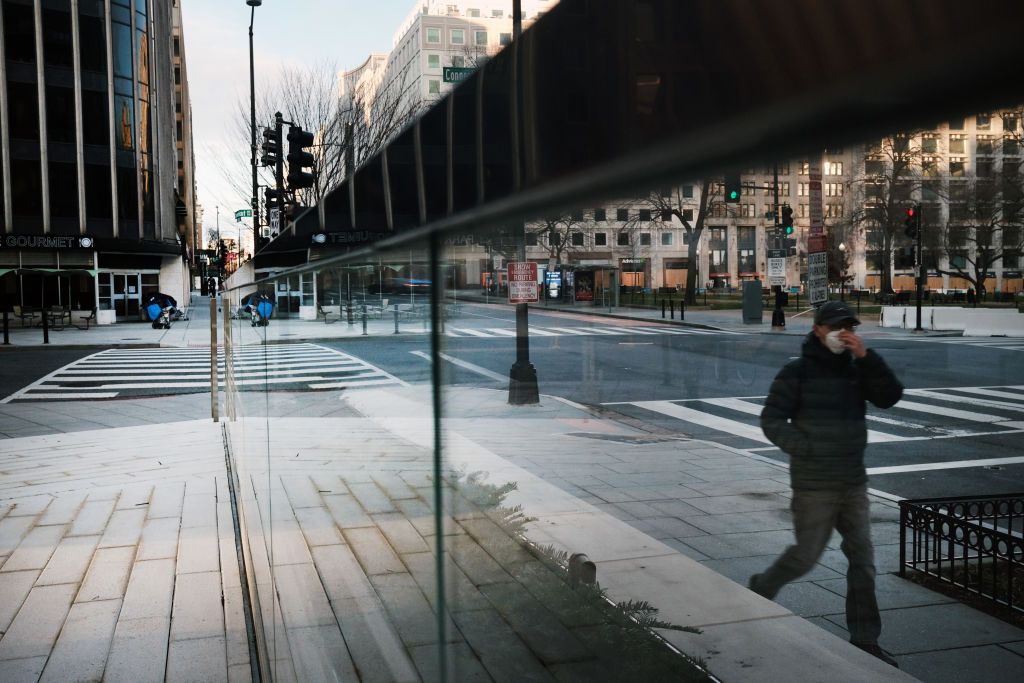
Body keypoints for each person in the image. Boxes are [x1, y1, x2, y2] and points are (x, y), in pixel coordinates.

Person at [750, 301, 904, 668]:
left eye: (848, 326)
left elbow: (890, 396)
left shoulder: (857, 370)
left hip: (853, 483)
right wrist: (806, 449)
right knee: (805, 557)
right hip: (814, 484)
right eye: (835, 326)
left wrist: (868, 358)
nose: (842, 332)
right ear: (818, 329)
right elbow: (771, 419)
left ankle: (865, 640)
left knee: (864, 563)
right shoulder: (797, 372)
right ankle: (761, 588)